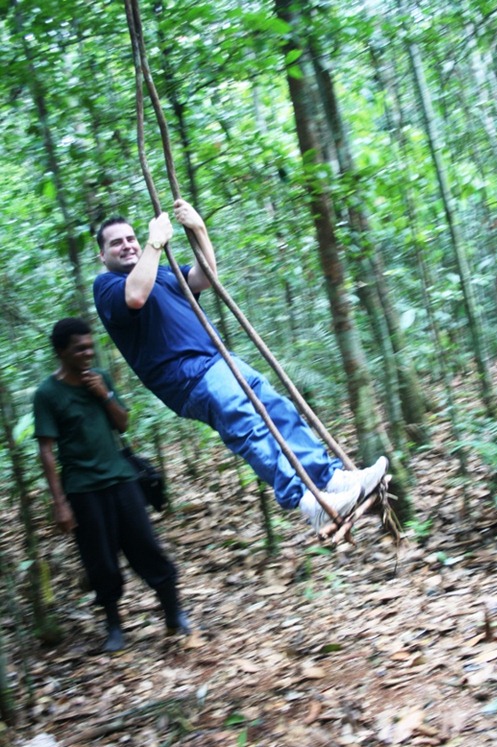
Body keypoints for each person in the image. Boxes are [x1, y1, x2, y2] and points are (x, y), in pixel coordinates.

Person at [93, 199, 388, 535]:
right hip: (189, 376)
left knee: (278, 411)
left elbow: (204, 278)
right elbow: (135, 297)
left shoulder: (160, 271)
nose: (127, 245)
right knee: (249, 426)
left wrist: (199, 228)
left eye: (131, 238)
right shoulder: (107, 286)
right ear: (103, 256)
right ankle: (307, 500)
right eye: (116, 242)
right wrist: (154, 241)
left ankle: (330, 478)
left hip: (218, 360)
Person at [33, 317, 190, 653]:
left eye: (91, 346)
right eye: (80, 348)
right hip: (83, 489)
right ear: (61, 352)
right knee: (100, 560)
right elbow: (46, 450)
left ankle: (174, 613)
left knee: (146, 547)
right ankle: (114, 627)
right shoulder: (47, 394)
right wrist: (60, 503)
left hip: (122, 480)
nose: (88, 353)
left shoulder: (99, 379)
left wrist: (103, 394)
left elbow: (122, 423)